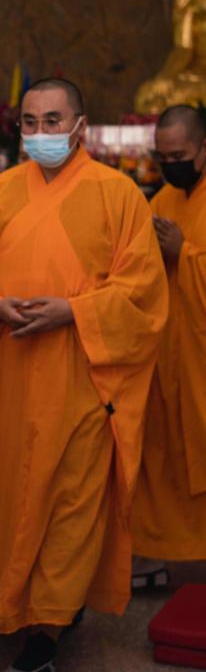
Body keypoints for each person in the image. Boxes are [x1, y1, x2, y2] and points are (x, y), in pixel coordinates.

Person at [0, 77, 168, 672]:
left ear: (80, 126)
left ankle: (49, 624)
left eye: (53, 121)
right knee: (8, 498)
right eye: (29, 122)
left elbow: (143, 292)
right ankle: (2, 605)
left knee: (70, 502)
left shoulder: (119, 194)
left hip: (84, 376)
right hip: (15, 375)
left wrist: (73, 311)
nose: (40, 133)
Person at [132, 104, 206, 575]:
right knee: (166, 458)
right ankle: (170, 556)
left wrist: (187, 255)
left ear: (203, 149)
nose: (170, 164)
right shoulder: (161, 202)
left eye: (178, 154)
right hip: (170, 358)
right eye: (162, 157)